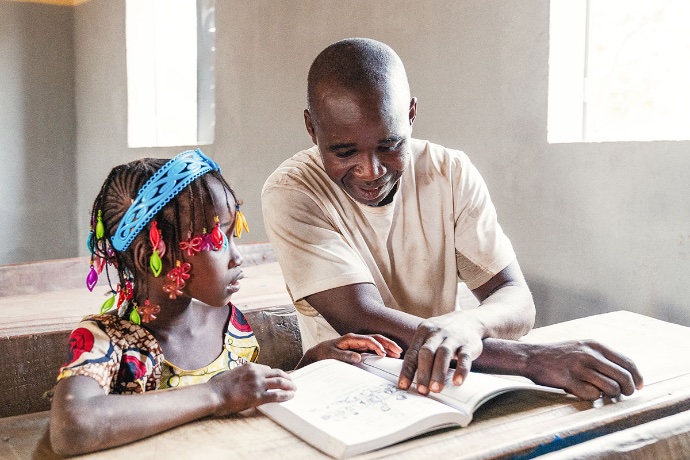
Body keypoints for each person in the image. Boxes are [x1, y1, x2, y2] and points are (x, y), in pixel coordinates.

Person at [262, 38, 643, 398]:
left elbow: (516, 298)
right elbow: (362, 318)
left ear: (410, 115)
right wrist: (531, 359)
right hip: (349, 385)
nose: (370, 170)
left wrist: (468, 325)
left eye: (389, 145)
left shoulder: (449, 172)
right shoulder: (292, 192)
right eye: (344, 152)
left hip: (451, 377)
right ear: (313, 128)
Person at [49, 150, 402, 456]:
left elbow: (241, 401)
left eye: (234, 234)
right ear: (150, 255)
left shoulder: (229, 323)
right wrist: (215, 394)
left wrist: (311, 366)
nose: (238, 257)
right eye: (217, 240)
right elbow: (72, 428)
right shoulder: (106, 341)